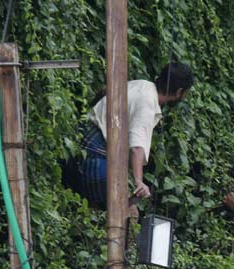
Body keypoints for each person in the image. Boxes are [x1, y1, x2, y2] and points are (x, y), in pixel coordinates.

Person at [75, 62, 194, 212]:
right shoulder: (147, 103)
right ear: (179, 92)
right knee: (129, 213)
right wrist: (139, 182)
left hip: (82, 145)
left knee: (117, 208)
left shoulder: (141, 85)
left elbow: (103, 94)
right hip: (94, 157)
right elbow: (136, 147)